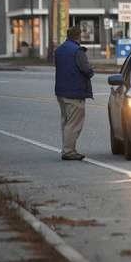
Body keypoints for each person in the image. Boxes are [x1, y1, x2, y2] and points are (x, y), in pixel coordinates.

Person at [54, 26, 94, 161]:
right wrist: (91, 71)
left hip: (61, 92)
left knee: (66, 122)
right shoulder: (78, 51)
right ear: (78, 36)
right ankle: (69, 151)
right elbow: (86, 70)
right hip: (75, 92)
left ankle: (67, 148)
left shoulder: (59, 50)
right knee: (74, 124)